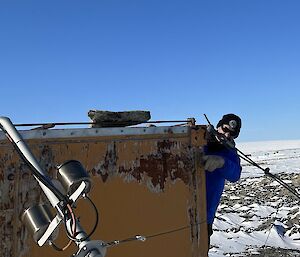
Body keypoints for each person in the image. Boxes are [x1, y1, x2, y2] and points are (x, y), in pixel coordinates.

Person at [202, 114, 242, 248]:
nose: (226, 135)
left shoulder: (229, 152)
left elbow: (235, 174)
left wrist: (222, 162)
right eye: (225, 130)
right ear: (218, 126)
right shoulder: (198, 140)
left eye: (231, 134)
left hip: (204, 217)